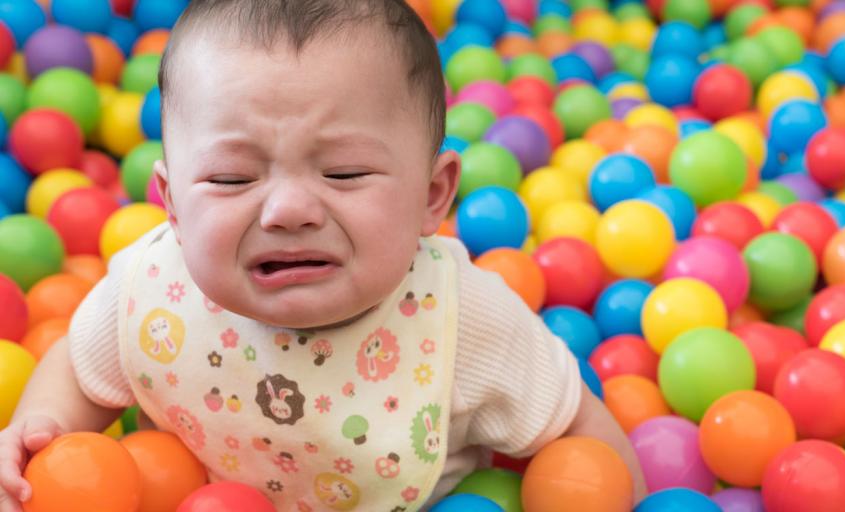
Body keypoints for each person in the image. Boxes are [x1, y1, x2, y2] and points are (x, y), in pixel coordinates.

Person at [0, 1, 646, 510]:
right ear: (171, 202)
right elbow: (83, 372)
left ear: (432, 195)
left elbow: (577, 435)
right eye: (231, 178)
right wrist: (38, 435)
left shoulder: (465, 321)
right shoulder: (151, 290)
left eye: (343, 172)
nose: (288, 210)